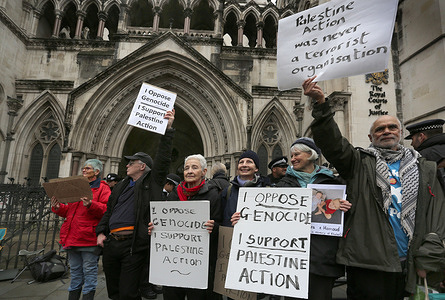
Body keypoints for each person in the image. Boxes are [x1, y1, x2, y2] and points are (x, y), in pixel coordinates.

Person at [303, 76, 445, 299]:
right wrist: (321, 104)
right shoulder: (359, 162)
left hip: (411, 262)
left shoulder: (424, 167)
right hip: (368, 264)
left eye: (392, 127)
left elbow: (436, 213)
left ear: (400, 133)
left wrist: (429, 256)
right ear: (370, 136)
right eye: (380, 129)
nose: (386, 131)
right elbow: (333, 144)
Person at [232, 138, 351, 300]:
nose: (292, 159)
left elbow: (343, 218)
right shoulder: (283, 185)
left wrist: (343, 207)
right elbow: (267, 216)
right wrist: (244, 219)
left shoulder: (332, 183)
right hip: (290, 261)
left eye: (297, 154)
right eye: (292, 155)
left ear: (310, 155)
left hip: (322, 259)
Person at [96, 110, 175, 300]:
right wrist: (100, 232)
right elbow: (109, 211)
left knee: (128, 293)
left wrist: (168, 128)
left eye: (131, 162)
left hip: (132, 246)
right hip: (111, 244)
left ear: (142, 166)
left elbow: (163, 159)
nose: (127, 165)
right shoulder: (120, 186)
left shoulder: (152, 183)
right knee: (114, 292)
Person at [150, 154, 222, 300]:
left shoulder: (213, 195)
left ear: (204, 172)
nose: (189, 171)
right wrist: (155, 228)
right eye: (186, 168)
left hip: (200, 266)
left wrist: (213, 227)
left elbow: (220, 226)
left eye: (194, 167)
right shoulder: (175, 195)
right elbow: (166, 224)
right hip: (173, 261)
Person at [51, 159, 110, 300]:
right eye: (83, 168)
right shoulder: (76, 186)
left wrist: (91, 204)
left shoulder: (103, 188)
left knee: (89, 271)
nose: (84, 170)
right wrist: (58, 207)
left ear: (96, 172)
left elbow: (107, 210)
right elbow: (70, 212)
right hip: (72, 237)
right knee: (76, 272)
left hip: (88, 237)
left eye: (88, 168)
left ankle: (87, 297)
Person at [221, 150, 271, 227]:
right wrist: (231, 221)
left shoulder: (266, 190)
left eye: (249, 162)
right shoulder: (228, 191)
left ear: (256, 168)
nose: (244, 165)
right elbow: (221, 220)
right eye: (241, 162)